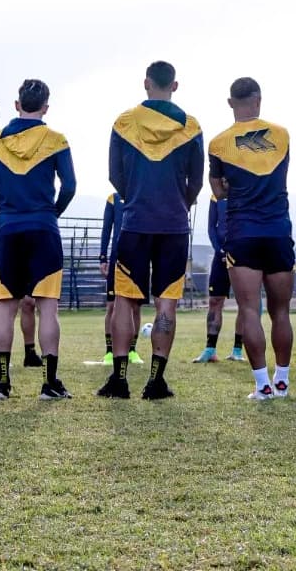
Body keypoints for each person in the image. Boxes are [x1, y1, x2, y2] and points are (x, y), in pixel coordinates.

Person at [99, 60, 204, 400]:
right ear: (175, 85)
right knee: (167, 305)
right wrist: (178, 203)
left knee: (126, 304)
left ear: (146, 83)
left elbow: (115, 176)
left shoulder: (124, 122)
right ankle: (156, 381)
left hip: (135, 224)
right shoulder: (190, 126)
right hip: (174, 226)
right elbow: (197, 181)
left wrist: (135, 198)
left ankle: (119, 380)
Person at [0, 79, 76, 400]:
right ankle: (50, 384)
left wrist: (6, 205)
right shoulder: (56, 140)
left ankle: (2, 384)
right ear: (46, 107)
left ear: (17, 104)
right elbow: (70, 186)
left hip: (8, 229)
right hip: (44, 228)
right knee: (48, 308)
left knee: (5, 309)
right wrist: (51, 212)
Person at [208, 77, 295, 400]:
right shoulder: (282, 134)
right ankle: (282, 379)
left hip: (242, 232)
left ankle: (262, 385)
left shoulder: (218, 143)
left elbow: (218, 192)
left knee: (249, 309)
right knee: (281, 312)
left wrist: (232, 185)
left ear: (230, 103)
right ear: (258, 99)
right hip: (278, 231)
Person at [192, 194, 244, 363]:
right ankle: (210, 350)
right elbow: (211, 227)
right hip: (220, 255)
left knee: (245, 303)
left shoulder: (245, 188)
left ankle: (237, 350)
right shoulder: (216, 196)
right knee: (214, 301)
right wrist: (219, 250)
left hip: (243, 254)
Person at [98, 192, 143, 364]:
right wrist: (103, 257)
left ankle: (132, 350)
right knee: (112, 306)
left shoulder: (142, 193)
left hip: (140, 257)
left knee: (136, 307)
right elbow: (106, 228)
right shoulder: (113, 198)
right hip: (117, 258)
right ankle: (110, 351)